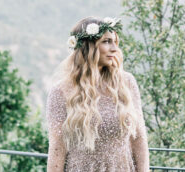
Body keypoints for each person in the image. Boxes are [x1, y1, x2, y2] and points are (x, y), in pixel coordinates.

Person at [46, 16, 150, 171]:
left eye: (115, 42)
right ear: (88, 46)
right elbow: (57, 148)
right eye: (107, 41)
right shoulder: (61, 91)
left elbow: (139, 139)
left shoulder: (126, 83)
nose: (115, 49)